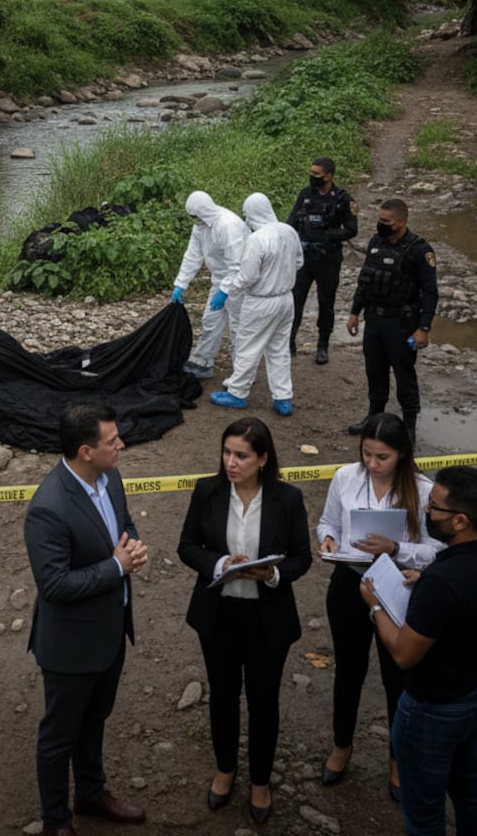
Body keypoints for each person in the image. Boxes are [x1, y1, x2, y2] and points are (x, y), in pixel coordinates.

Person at [360, 466, 477, 836]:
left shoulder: (442, 581)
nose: (426, 512)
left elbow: (403, 654)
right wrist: (425, 580)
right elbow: (468, 602)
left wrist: (375, 605)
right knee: (469, 788)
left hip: (432, 709)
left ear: (460, 520)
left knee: (424, 812)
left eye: (433, 508)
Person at [178, 418, 311, 825]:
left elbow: (301, 557)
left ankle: (259, 781)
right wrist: (219, 563)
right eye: (226, 453)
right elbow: (187, 546)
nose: (231, 462)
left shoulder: (287, 499)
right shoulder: (208, 491)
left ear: (263, 458)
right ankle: (225, 770)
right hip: (218, 615)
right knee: (222, 696)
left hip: (266, 617)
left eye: (241, 455)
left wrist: (270, 574)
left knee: (263, 701)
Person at [24, 402, 149, 836]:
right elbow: (54, 585)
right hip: (71, 647)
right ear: (85, 451)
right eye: (112, 441)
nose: (122, 445)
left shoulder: (109, 476)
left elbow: (124, 523)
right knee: (59, 737)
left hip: (110, 632)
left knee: (94, 719)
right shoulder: (49, 507)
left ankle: (91, 794)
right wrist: (117, 567)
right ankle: (57, 822)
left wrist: (132, 546)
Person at [316, 413, 443, 800]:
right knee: (349, 670)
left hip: (398, 586)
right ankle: (342, 746)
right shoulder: (345, 477)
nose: (372, 464)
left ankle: (396, 758)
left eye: (382, 457)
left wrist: (397, 548)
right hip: (349, 582)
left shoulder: (423, 491)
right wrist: (328, 541)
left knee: (397, 677)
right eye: (367, 454)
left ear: (402, 454)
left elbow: (439, 551)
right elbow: (327, 523)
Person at [346, 198, 438, 445]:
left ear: (401, 221)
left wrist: (424, 328)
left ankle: (409, 427)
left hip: (402, 324)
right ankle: (373, 419)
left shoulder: (420, 250)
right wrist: (354, 312)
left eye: (386, 221)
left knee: (404, 375)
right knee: (374, 372)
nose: (380, 224)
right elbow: (365, 280)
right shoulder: (376, 242)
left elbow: (430, 292)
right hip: (374, 320)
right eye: (380, 219)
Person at [209, 192, 303, 415]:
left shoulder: (257, 239)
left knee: (247, 347)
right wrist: (280, 276)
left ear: (251, 214)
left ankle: (237, 392)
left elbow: (247, 276)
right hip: (286, 300)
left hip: (261, 301)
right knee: (279, 349)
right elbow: (299, 261)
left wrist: (227, 291)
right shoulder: (289, 231)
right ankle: (283, 397)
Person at [171, 191, 248, 379]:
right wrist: (181, 283)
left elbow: (237, 266)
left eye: (195, 217)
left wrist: (225, 291)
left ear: (203, 212)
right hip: (220, 280)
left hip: (240, 284)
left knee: (239, 328)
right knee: (210, 321)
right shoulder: (201, 225)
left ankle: (243, 373)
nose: (194, 220)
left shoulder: (228, 226)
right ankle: (203, 362)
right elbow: (193, 255)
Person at [287, 157, 357, 364]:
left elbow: (352, 230)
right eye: (312, 173)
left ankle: (322, 346)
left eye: (316, 174)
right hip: (304, 258)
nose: (312, 177)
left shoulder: (343, 199)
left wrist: (328, 235)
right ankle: (289, 341)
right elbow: (291, 222)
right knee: (295, 300)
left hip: (328, 259)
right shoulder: (305, 194)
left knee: (326, 303)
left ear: (329, 176)